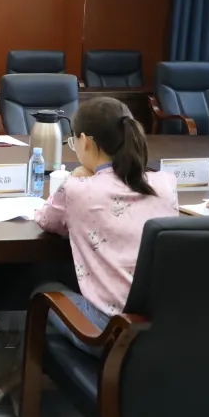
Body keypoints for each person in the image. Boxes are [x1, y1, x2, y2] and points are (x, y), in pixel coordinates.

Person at [35, 96, 179, 351]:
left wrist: (75, 176)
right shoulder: (165, 184)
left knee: (45, 287)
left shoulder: (78, 189)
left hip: (109, 334)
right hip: (163, 332)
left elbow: (47, 220)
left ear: (86, 141)